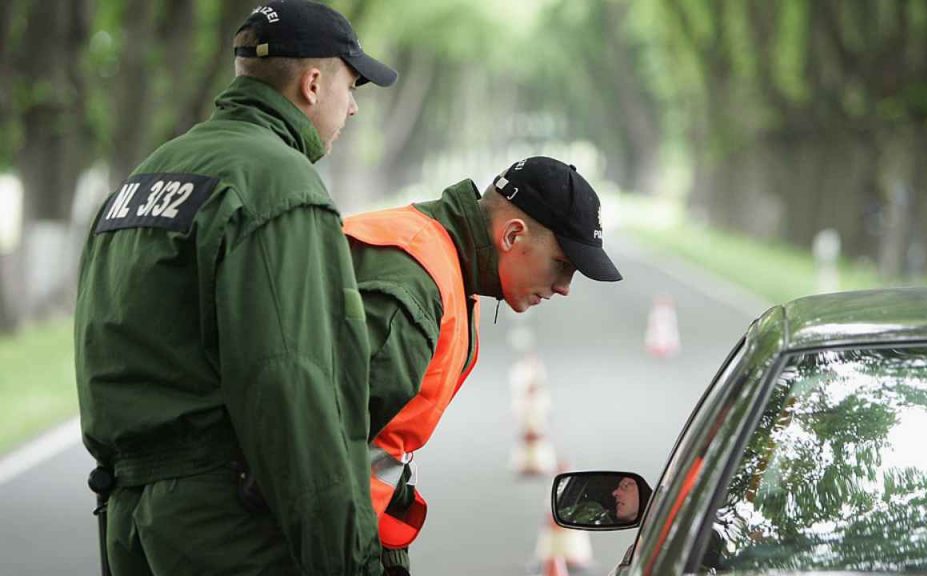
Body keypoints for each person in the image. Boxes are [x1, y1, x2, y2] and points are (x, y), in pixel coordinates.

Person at [74, 2, 396, 574]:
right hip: (227, 533)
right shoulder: (278, 185)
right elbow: (292, 393)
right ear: (313, 83)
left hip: (131, 525)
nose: (352, 107)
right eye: (352, 87)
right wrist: (350, 560)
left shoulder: (147, 175)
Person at [344, 156, 623, 575]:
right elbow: (323, 458)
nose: (565, 288)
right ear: (513, 235)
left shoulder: (446, 264)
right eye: (563, 265)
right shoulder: (414, 288)